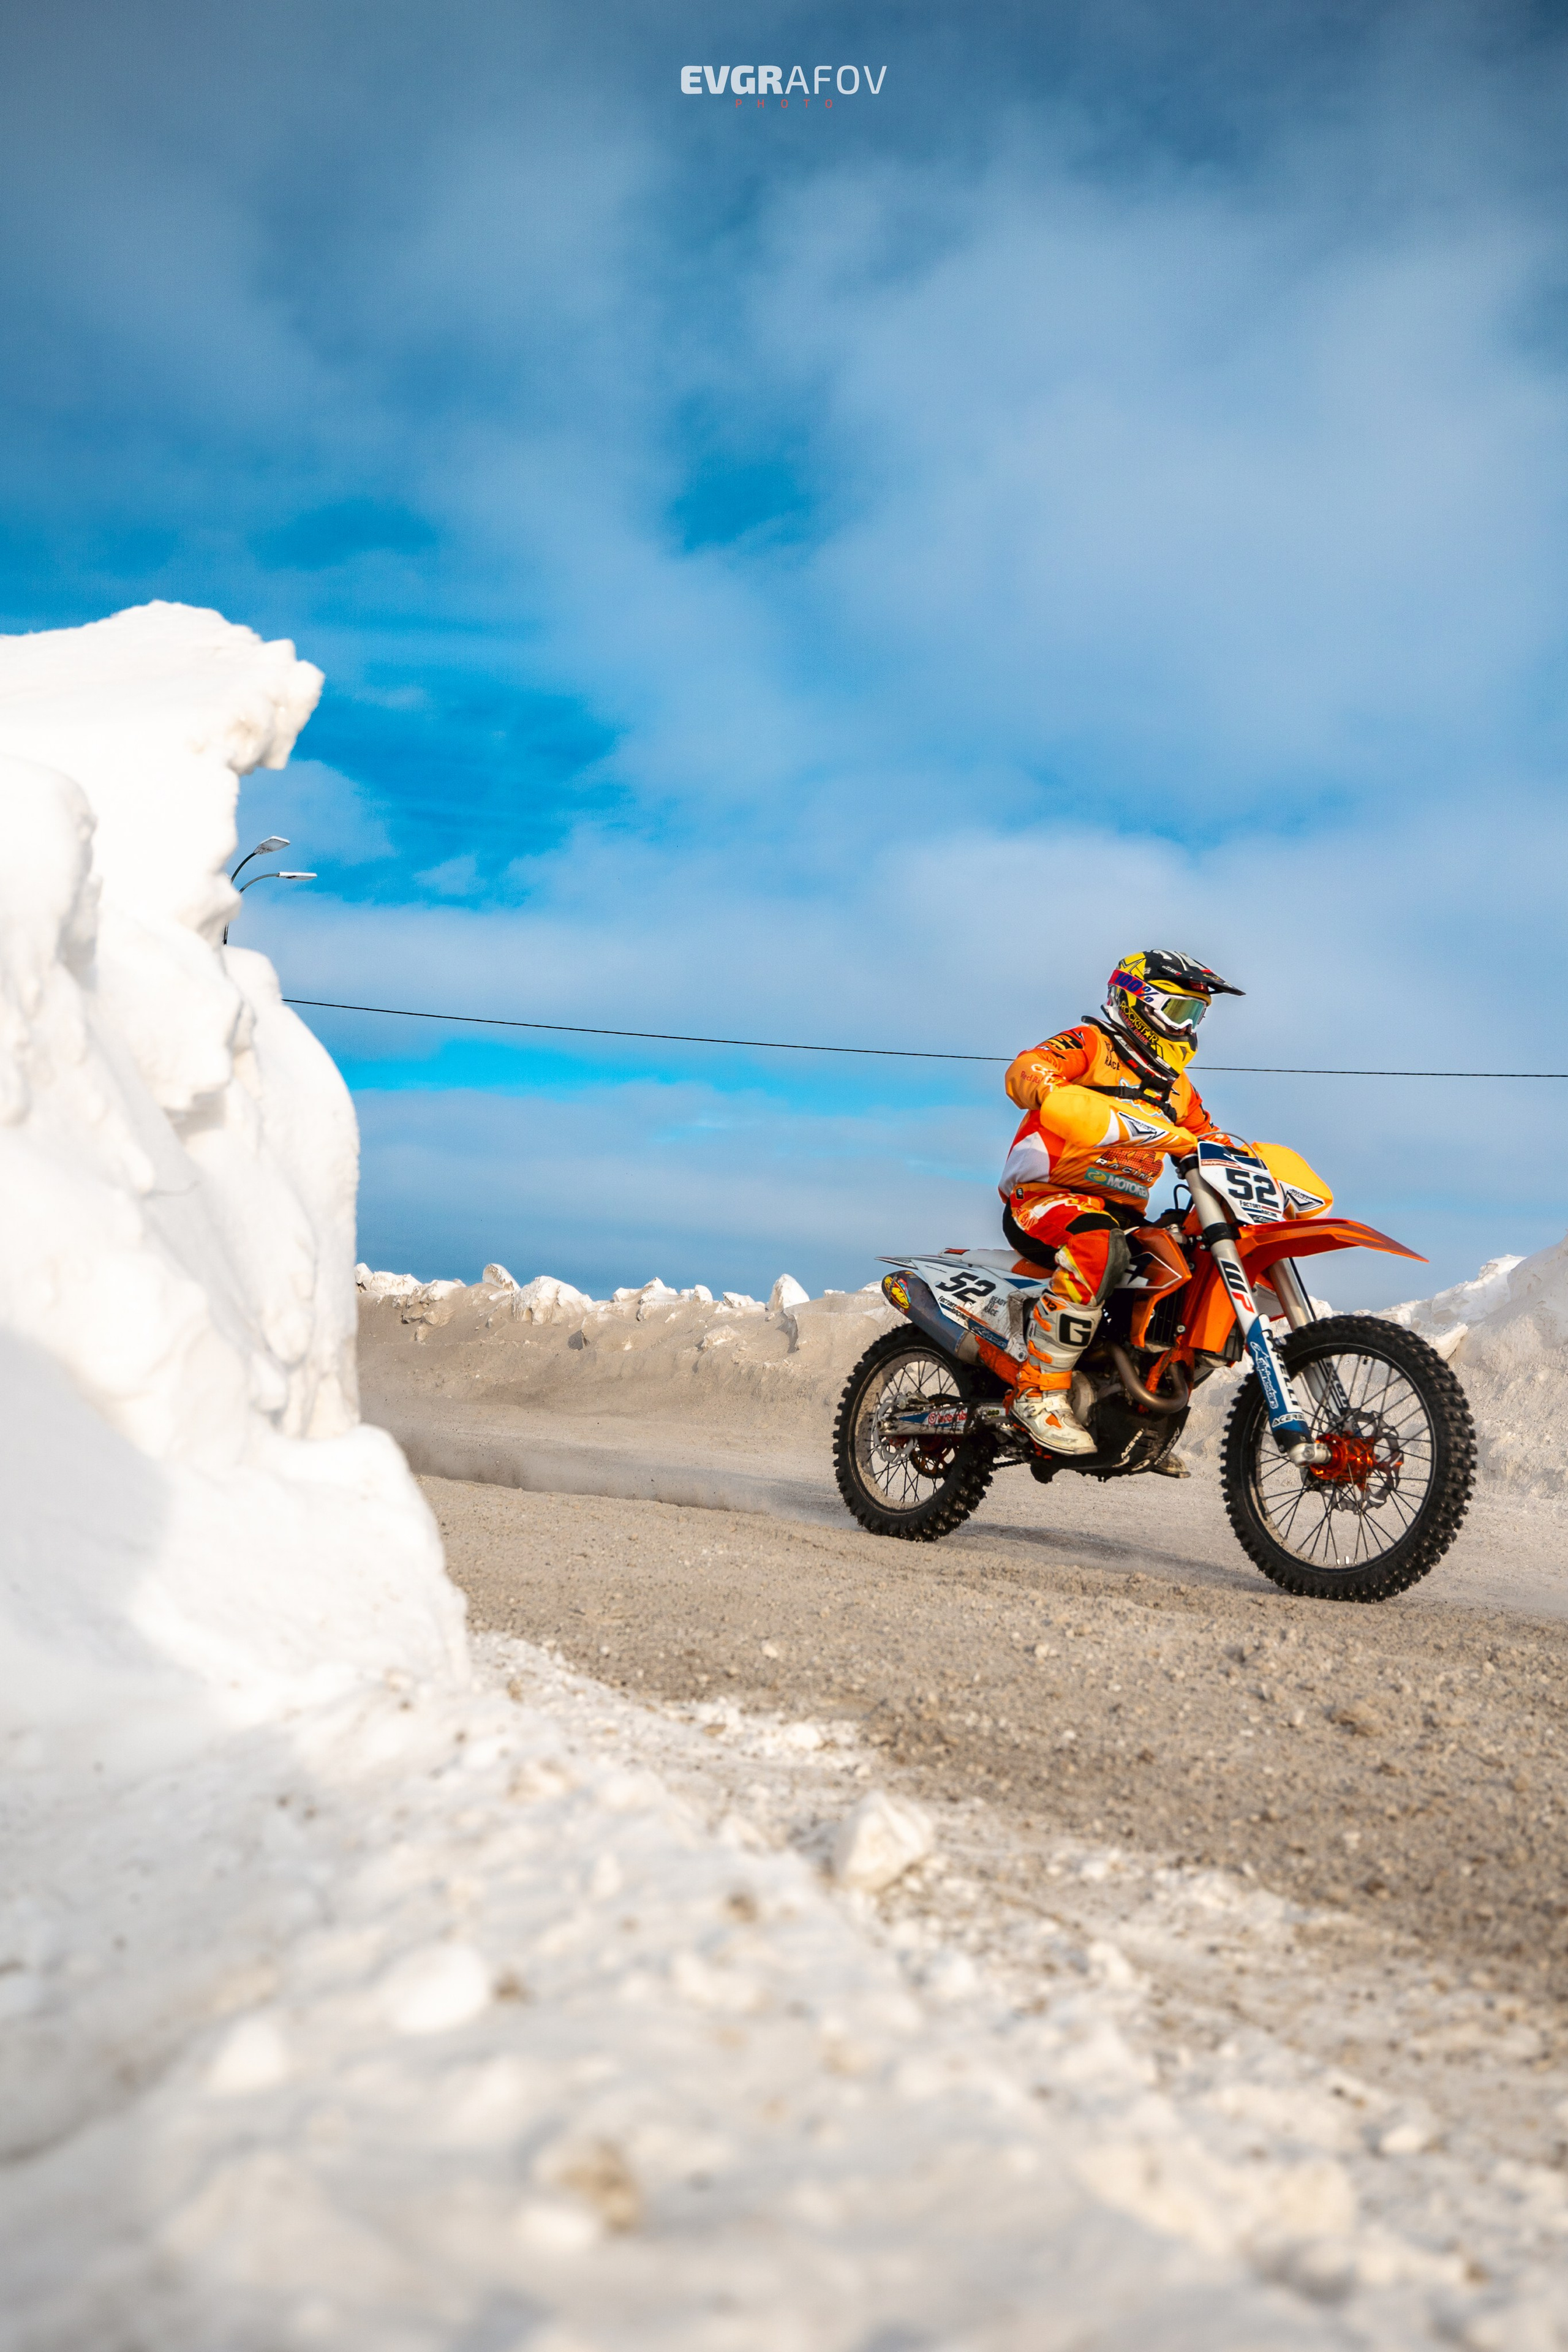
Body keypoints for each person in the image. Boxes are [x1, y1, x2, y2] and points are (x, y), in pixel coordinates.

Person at [1000, 949, 1243, 1455]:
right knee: (1097, 1244)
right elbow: (1029, 1067)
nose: (1189, 1026)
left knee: (1184, 1265)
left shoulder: (1178, 1089)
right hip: (1047, 1198)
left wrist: (1244, 1164)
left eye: (1197, 1016)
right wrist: (1047, 1089)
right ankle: (1037, 1390)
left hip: (1122, 1213)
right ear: (1138, 1004)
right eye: (1180, 1012)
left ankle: (1136, 1412)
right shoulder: (1093, 1044)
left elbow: (1208, 1138)